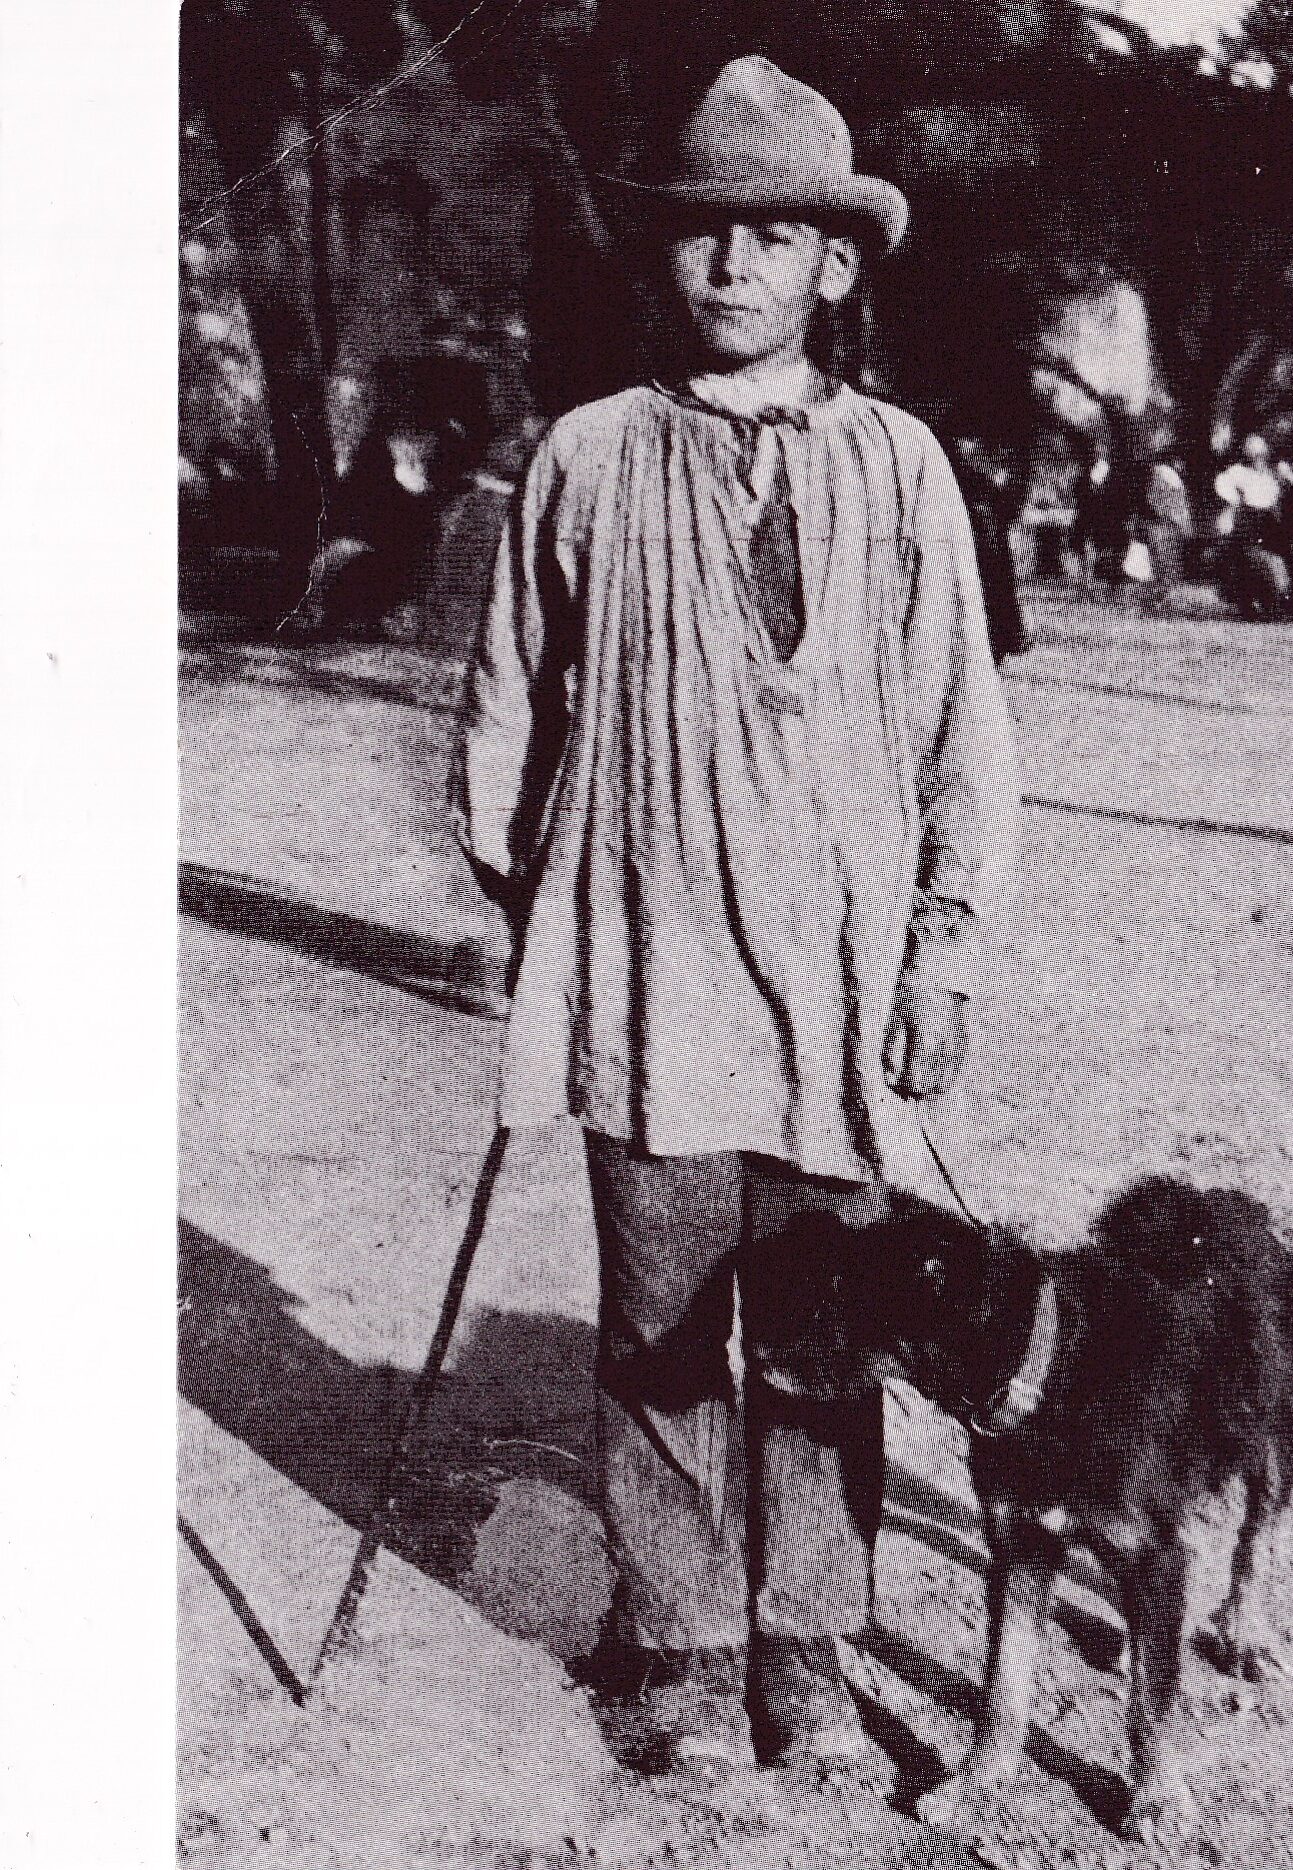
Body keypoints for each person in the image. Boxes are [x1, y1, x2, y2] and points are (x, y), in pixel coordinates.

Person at [449, 58, 1019, 1774]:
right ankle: (687, 1648)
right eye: (705, 232)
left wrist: (940, 953)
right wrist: (556, 914)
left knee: (827, 1322)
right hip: (649, 968)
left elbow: (961, 727)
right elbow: (504, 712)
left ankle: (809, 1647)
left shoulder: (900, 467)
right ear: (664, 253)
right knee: (662, 1320)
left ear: (833, 267)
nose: (733, 263)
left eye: (775, 236)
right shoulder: (586, 456)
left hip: (837, 978)